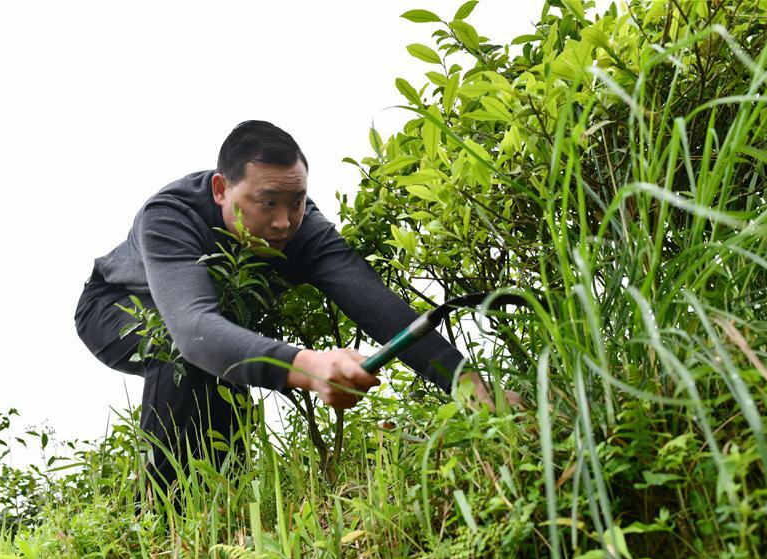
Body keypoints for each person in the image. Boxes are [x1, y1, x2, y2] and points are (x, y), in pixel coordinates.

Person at [74, 120, 503, 502]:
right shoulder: (169, 217)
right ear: (222, 189)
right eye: (267, 202)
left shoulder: (303, 227)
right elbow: (194, 329)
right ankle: (157, 516)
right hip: (113, 306)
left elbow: (373, 301)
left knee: (227, 395)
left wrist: (471, 385)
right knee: (182, 350)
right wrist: (308, 365)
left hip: (209, 321)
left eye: (296, 201)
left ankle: (226, 513)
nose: (284, 222)